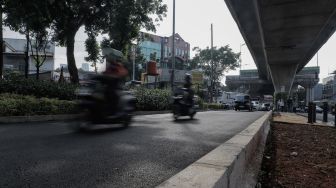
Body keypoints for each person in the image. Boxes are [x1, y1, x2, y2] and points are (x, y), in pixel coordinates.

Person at [97, 48, 128, 114]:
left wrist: (115, 76)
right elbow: (103, 74)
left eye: (110, 57)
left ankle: (112, 111)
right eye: (108, 57)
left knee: (111, 93)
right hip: (108, 86)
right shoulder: (109, 67)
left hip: (116, 87)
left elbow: (122, 73)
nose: (109, 58)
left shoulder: (118, 66)